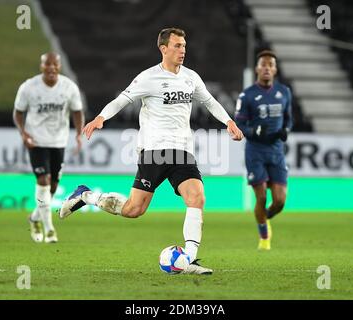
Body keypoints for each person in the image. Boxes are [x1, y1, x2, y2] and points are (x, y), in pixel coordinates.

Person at [58, 27, 243, 274]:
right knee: (134, 210)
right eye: (177, 46)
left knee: (197, 197)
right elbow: (122, 99)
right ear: (163, 48)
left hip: (181, 151)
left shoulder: (191, 77)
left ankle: (188, 259)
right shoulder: (148, 78)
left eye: (184, 46)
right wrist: (101, 117)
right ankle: (86, 195)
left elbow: (209, 101)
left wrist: (228, 121)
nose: (182, 50)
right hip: (154, 150)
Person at [13, 52, 85, 243]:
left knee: (52, 187)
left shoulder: (69, 87)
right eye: (48, 64)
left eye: (55, 64)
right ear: (41, 66)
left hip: (59, 141)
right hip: (36, 141)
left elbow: (77, 111)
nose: (51, 68)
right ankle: (49, 229)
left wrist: (79, 133)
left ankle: (35, 218)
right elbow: (18, 113)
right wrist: (23, 133)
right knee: (43, 181)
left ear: (59, 66)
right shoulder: (29, 87)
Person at [235, 50, 292, 251]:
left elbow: (288, 119)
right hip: (255, 152)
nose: (267, 67)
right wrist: (254, 131)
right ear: (258, 69)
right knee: (261, 197)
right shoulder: (247, 95)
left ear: (275, 69)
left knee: (279, 202)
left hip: (276, 151)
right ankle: (264, 237)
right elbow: (238, 124)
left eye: (271, 64)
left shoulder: (284, 92)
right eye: (263, 64)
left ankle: (263, 217)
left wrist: (286, 130)